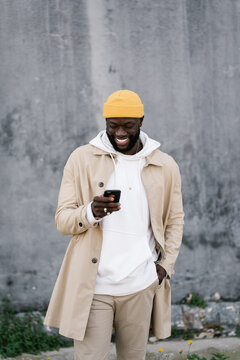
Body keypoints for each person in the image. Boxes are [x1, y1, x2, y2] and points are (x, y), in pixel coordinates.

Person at [44, 90, 184, 360]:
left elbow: (175, 220)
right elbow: (62, 220)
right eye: (113, 125)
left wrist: (165, 266)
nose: (120, 132)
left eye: (128, 126)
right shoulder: (81, 158)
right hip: (93, 288)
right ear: (105, 121)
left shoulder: (165, 165)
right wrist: (90, 212)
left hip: (140, 285)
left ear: (141, 121)